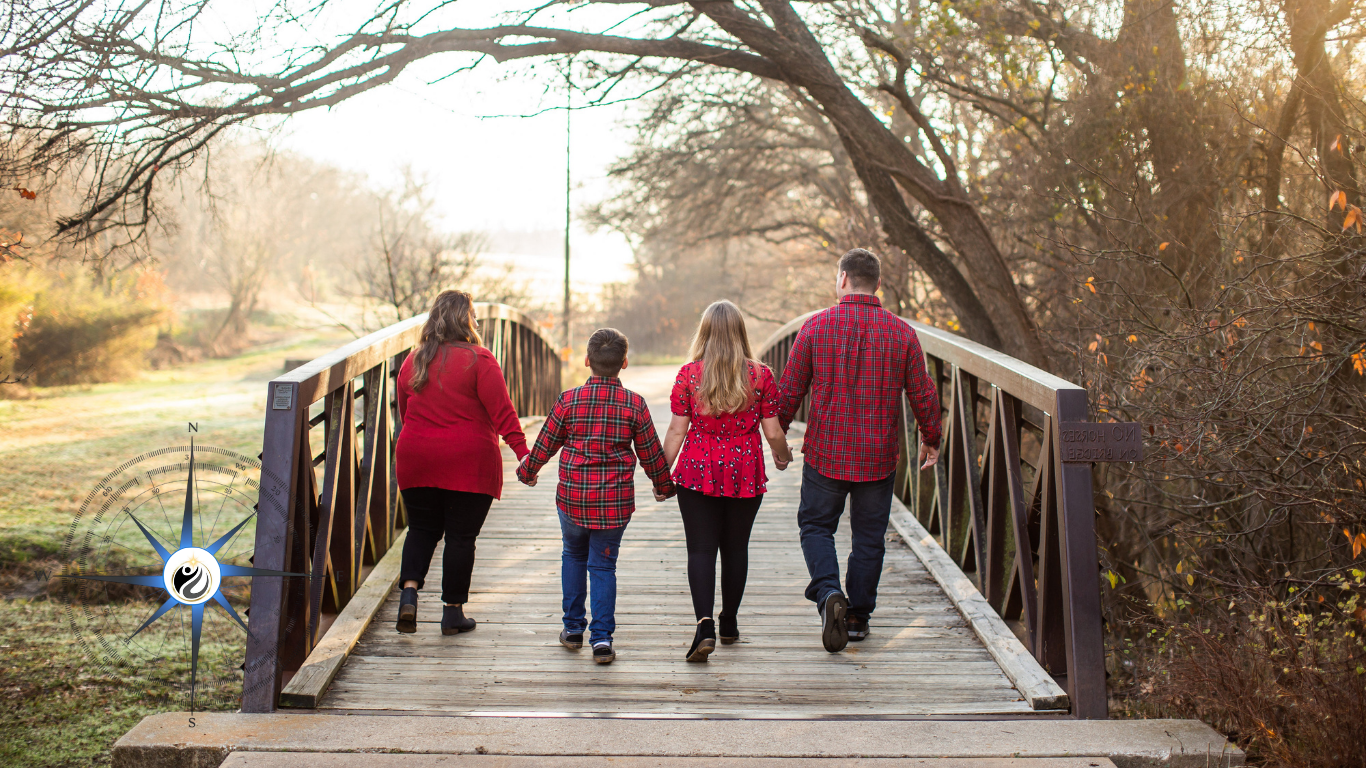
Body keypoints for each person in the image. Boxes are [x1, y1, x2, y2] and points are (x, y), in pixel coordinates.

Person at [777, 248, 942, 653]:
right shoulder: (902, 332)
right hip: (877, 456)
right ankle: (856, 618)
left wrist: (777, 441)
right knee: (869, 539)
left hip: (826, 454)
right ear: (878, 284)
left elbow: (788, 394)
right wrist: (931, 436)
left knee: (816, 527)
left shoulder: (816, 328)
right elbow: (923, 392)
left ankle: (829, 592)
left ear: (843, 279)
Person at [517, 328, 675, 664]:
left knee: (573, 555)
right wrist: (663, 486)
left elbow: (546, 441)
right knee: (603, 565)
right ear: (625, 363)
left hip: (573, 499)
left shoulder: (568, 400)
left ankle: (573, 628)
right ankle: (601, 639)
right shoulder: (634, 404)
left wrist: (527, 471)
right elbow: (650, 452)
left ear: (587, 361)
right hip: (614, 506)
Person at [662, 300, 793, 662]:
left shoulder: (690, 375)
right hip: (745, 472)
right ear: (740, 333)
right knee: (735, 549)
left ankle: (704, 623)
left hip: (696, 471)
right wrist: (783, 455)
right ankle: (729, 622)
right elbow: (773, 430)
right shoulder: (760, 375)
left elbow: (676, 430)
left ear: (704, 333)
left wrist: (660, 474)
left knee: (700, 550)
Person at [393, 290, 530, 636]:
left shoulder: (415, 360)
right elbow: (503, 412)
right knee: (460, 538)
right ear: (468, 320)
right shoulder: (479, 360)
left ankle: (409, 594)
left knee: (421, 530)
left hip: (417, 456)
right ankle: (452, 614)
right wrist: (524, 453)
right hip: (468, 462)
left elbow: (403, 410)